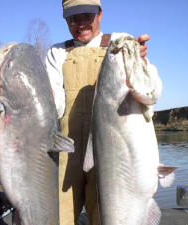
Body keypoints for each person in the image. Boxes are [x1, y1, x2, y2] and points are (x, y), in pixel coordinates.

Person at [45, 0, 162, 225]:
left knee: (108, 216)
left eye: (86, 16)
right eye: (72, 18)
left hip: (112, 157)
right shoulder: (57, 52)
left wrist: (140, 64)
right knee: (59, 218)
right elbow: (56, 107)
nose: (79, 24)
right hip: (67, 154)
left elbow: (153, 93)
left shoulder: (119, 43)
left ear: (100, 14)